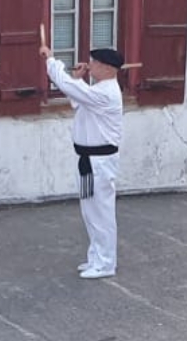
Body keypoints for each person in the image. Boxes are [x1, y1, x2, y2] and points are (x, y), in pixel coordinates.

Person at [39, 43, 125, 279]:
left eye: (94, 62)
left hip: (100, 163)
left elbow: (67, 86)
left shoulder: (107, 92)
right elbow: (78, 100)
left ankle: (106, 263)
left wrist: (51, 61)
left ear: (107, 68)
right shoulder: (98, 90)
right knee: (90, 212)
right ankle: (96, 258)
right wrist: (78, 79)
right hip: (88, 160)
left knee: (101, 213)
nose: (90, 65)